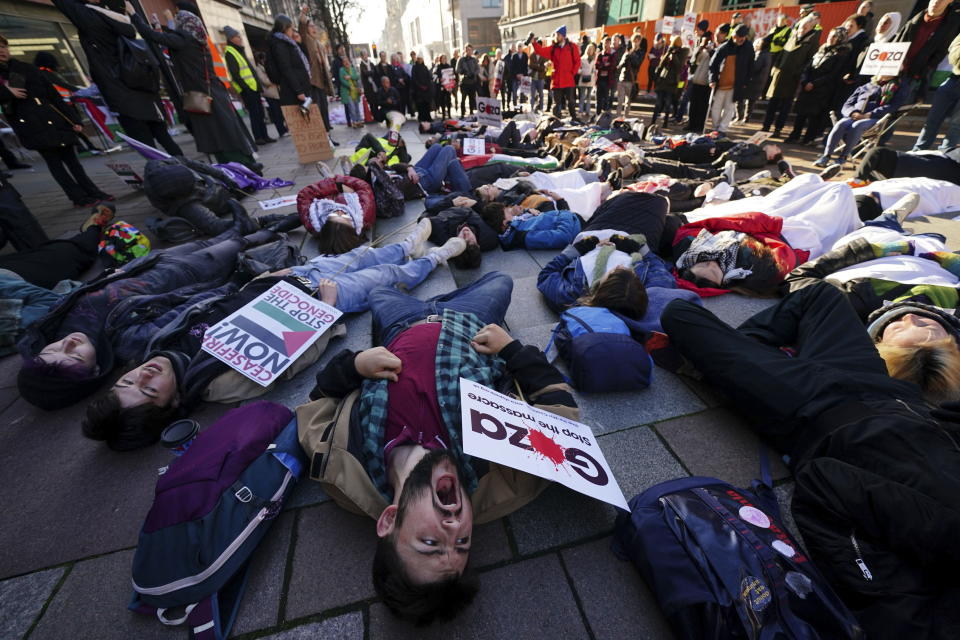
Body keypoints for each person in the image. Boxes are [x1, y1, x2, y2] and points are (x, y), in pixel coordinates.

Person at [659, 281, 960, 640]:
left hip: (810, 408)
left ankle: (738, 360)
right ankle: (738, 358)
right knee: (823, 295)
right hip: (888, 394)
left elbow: (822, 482)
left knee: (679, 314)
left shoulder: (913, 607)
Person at [297, 272, 577, 624]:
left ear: (388, 520)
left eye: (430, 542)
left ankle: (419, 290)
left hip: (399, 326)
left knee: (382, 290)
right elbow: (563, 417)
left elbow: (315, 403)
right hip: (470, 321)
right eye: (462, 544)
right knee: (503, 279)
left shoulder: (338, 471)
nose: (454, 525)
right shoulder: (512, 478)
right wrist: (512, 350)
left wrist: (353, 366)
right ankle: (443, 292)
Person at [81, 220, 466, 451]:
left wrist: (264, 279)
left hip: (288, 281)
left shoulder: (159, 344)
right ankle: (437, 256)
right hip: (319, 299)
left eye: (130, 380)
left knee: (365, 255)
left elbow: (218, 303)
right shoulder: (217, 383)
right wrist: (328, 310)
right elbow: (293, 358)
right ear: (172, 404)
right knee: (385, 278)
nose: (145, 374)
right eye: (148, 390)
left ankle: (406, 244)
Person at [16, 223, 292, 410]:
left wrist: (106, 277)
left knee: (219, 238)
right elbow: (185, 310)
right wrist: (232, 284)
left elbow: (77, 293)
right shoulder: (128, 344)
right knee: (237, 244)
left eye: (52, 350)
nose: (69, 343)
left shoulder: (50, 326)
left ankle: (244, 222)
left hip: (152, 263)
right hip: (190, 274)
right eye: (75, 356)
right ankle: (277, 226)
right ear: (95, 372)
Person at [129, 3, 258, 171]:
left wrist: (134, 15)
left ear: (183, 24)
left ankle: (235, 167)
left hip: (202, 94)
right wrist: (168, 24)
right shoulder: (197, 38)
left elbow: (150, 35)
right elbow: (171, 38)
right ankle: (246, 163)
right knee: (227, 129)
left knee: (217, 133)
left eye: (177, 20)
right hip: (214, 91)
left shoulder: (184, 41)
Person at [52, 0, 183, 156]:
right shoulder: (123, 21)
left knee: (147, 147)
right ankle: (190, 172)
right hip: (147, 95)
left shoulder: (91, 18)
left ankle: (165, 177)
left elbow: (65, 4)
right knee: (165, 138)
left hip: (121, 94)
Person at [0, 36, 112, 207]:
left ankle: (93, 191)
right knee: (55, 164)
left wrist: (73, 119)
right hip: (31, 126)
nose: (2, 51)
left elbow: (54, 96)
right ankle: (78, 197)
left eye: (3, 46)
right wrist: (7, 92)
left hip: (55, 120)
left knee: (73, 161)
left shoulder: (27, 68)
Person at [671, 212, 809, 296]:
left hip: (748, 226)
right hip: (778, 236)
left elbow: (703, 227)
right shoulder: (749, 271)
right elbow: (784, 261)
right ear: (724, 282)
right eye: (714, 271)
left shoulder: (690, 251)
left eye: (704, 263)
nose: (712, 263)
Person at [816, 75, 905, 167]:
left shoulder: (897, 87)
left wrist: (870, 114)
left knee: (857, 125)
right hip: (854, 116)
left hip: (874, 119)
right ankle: (826, 156)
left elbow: (893, 106)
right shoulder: (865, 86)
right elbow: (848, 104)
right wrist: (852, 112)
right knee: (840, 124)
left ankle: (843, 157)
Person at [787, 26, 851, 145]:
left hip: (821, 90)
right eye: (830, 35)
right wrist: (805, 81)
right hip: (807, 87)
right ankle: (794, 135)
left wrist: (814, 84)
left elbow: (833, 74)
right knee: (801, 114)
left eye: (834, 37)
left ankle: (808, 138)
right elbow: (808, 67)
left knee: (813, 116)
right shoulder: (821, 49)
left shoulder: (840, 54)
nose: (831, 38)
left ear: (840, 39)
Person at [892, 0, 960, 107]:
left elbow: (939, 54)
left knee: (895, 111)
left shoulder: (949, 25)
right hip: (892, 73)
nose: (936, 2)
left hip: (914, 77)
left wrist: (923, 71)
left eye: (941, 0)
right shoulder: (914, 20)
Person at [763, 15, 820, 137]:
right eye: (801, 27)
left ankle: (778, 129)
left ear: (810, 29)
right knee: (772, 103)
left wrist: (799, 73)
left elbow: (810, 61)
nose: (802, 30)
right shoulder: (792, 37)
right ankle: (766, 126)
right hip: (779, 74)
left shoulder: (811, 42)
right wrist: (775, 66)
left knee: (785, 105)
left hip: (792, 78)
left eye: (805, 28)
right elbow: (782, 53)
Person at [222, 26, 273, 146]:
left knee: (260, 113)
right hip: (248, 89)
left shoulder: (239, 50)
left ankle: (264, 136)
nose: (240, 38)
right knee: (255, 114)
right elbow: (235, 74)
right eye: (237, 36)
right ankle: (259, 137)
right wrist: (246, 88)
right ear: (231, 38)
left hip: (253, 87)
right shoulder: (230, 52)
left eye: (239, 36)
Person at [914, 33, 960, 151]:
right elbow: (953, 52)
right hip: (953, 79)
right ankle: (918, 151)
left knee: (956, 125)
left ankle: (945, 156)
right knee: (932, 120)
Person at [298, 6, 337, 141]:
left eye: (315, 26)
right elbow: (302, 28)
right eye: (311, 26)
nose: (314, 28)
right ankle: (322, 139)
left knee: (324, 112)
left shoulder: (318, 44)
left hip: (322, 83)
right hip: (313, 83)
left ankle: (328, 138)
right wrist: (303, 13)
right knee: (318, 112)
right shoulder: (307, 41)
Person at [528, 26, 581, 120]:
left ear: (563, 36)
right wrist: (533, 42)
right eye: (556, 34)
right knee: (557, 103)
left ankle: (574, 119)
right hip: (557, 81)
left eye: (558, 35)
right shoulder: (553, 48)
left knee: (571, 102)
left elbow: (577, 61)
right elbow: (541, 51)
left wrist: (572, 73)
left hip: (568, 80)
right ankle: (556, 121)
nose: (556, 36)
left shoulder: (572, 47)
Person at [479, 202, 582, 251]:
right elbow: (563, 237)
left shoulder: (514, 227)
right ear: (505, 223)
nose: (511, 211)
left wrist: (526, 211)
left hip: (568, 220)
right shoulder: (523, 236)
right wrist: (565, 213)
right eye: (507, 212)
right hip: (575, 225)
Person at [708, 25, 753, 135]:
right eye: (737, 37)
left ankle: (722, 129)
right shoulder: (724, 47)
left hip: (736, 84)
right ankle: (715, 128)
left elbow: (750, 66)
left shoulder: (748, 48)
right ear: (733, 36)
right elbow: (713, 64)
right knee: (716, 108)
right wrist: (712, 79)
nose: (739, 40)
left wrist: (746, 82)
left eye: (741, 38)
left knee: (729, 108)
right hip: (721, 83)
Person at [855, 146, 960, 185]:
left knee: (877, 152)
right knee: (877, 156)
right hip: (904, 168)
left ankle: (857, 181)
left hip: (903, 165)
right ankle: (858, 181)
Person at [652, 37, 688, 129]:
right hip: (663, 80)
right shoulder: (669, 51)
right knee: (658, 103)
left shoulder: (683, 52)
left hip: (672, 83)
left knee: (668, 104)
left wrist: (674, 55)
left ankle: (665, 123)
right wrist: (668, 53)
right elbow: (661, 64)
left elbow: (679, 67)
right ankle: (652, 122)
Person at [737, 37, 771, 125]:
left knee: (741, 98)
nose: (754, 45)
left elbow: (755, 67)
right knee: (751, 101)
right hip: (759, 82)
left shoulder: (760, 55)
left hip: (753, 81)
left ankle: (740, 117)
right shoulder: (767, 54)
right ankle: (746, 117)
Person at [254, 51, 288, 137]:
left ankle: (285, 128)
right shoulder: (258, 69)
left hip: (276, 92)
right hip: (269, 93)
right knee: (276, 113)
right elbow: (264, 81)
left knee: (281, 112)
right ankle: (281, 131)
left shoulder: (268, 66)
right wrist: (274, 81)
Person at [686, 33, 713, 133]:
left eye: (706, 41)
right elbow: (694, 61)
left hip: (705, 83)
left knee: (702, 106)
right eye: (703, 41)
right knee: (693, 104)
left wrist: (711, 50)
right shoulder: (700, 51)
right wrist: (699, 49)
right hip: (696, 80)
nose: (704, 43)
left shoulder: (712, 51)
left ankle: (699, 125)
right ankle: (691, 123)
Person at [613, 33, 645, 119]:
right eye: (634, 41)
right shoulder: (628, 51)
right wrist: (625, 57)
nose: (635, 43)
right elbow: (621, 65)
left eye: (637, 41)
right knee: (620, 101)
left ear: (639, 42)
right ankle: (618, 118)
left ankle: (626, 118)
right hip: (622, 77)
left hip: (631, 79)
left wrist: (632, 55)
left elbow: (637, 64)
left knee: (628, 101)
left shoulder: (640, 53)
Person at [339, 56, 363, 129]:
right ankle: (355, 122)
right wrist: (349, 86)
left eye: (347, 61)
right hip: (348, 92)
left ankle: (359, 121)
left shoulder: (353, 69)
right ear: (343, 63)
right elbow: (342, 80)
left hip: (355, 91)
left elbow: (357, 76)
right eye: (344, 62)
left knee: (356, 107)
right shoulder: (341, 70)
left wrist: (350, 77)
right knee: (351, 108)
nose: (346, 63)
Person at [594, 37, 616, 113]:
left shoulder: (612, 55)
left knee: (606, 98)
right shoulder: (599, 54)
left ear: (610, 44)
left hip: (607, 80)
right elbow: (596, 65)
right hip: (599, 79)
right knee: (598, 99)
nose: (605, 45)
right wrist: (604, 65)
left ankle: (605, 116)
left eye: (607, 43)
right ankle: (598, 114)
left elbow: (612, 66)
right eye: (604, 43)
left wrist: (603, 65)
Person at [456, 44, 479, 115]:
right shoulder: (461, 59)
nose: (469, 51)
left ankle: (471, 112)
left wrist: (474, 74)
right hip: (464, 83)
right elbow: (457, 69)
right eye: (467, 50)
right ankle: (462, 113)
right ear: (465, 50)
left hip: (472, 82)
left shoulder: (474, 59)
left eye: (470, 50)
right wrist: (463, 72)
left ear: (472, 51)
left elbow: (478, 69)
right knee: (463, 99)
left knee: (472, 99)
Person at [411, 55, 433, 123]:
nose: (420, 60)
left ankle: (428, 117)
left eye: (421, 59)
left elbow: (428, 77)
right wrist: (420, 86)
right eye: (419, 59)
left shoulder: (425, 67)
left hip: (426, 90)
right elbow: (414, 79)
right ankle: (421, 118)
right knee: (420, 105)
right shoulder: (414, 68)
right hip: (418, 90)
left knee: (427, 104)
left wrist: (427, 85)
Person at [577, 43, 597, 117]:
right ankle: (580, 111)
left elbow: (594, 69)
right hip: (583, 78)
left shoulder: (593, 59)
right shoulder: (582, 58)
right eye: (589, 49)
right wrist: (582, 72)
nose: (590, 51)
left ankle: (588, 111)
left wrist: (594, 73)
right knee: (582, 96)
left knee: (589, 96)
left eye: (591, 49)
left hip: (590, 79)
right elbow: (578, 69)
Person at [433, 54, 453, 119]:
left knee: (448, 100)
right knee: (442, 101)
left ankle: (449, 115)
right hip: (441, 86)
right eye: (442, 58)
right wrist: (439, 79)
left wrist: (451, 85)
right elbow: (434, 76)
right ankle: (443, 115)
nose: (444, 59)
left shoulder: (448, 66)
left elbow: (452, 76)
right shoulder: (437, 67)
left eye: (445, 58)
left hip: (448, 86)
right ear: (440, 59)